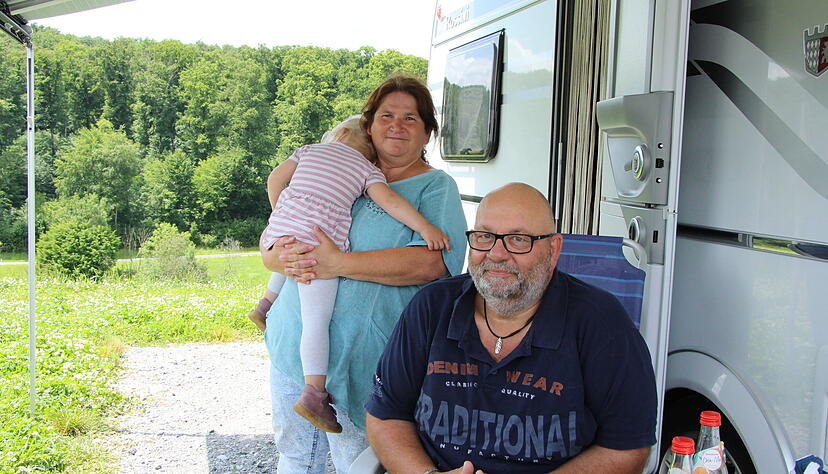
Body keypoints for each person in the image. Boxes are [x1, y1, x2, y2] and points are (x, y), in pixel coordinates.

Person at [364, 183, 658, 473]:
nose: (496, 253)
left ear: (553, 249)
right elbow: (385, 414)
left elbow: (627, 446)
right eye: (484, 236)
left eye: (518, 239)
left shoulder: (602, 323)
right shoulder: (431, 307)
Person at [259, 75, 467, 473]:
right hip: (294, 347)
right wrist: (277, 259)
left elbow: (435, 263)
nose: (397, 125)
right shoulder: (342, 169)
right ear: (369, 125)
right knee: (295, 457)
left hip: (365, 364)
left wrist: (338, 264)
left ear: (427, 133)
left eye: (411, 118)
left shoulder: (435, 186)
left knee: (356, 465)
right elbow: (281, 231)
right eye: (387, 115)